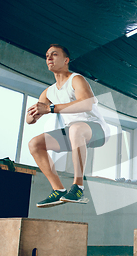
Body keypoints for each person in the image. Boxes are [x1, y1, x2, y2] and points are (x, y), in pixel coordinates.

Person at [26, 44, 110, 207]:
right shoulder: (48, 92)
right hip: (73, 134)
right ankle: (58, 189)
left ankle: (78, 187)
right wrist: (34, 113)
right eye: (47, 55)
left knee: (76, 128)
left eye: (54, 54)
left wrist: (50, 108)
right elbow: (30, 121)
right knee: (34, 144)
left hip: (96, 130)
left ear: (66, 60)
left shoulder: (76, 79)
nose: (49, 58)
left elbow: (86, 105)